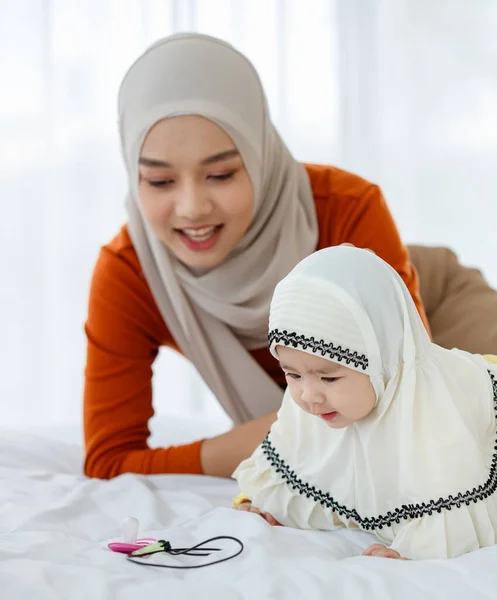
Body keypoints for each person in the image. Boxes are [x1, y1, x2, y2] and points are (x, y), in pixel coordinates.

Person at [83, 32, 430, 481]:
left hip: (430, 302)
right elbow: (109, 461)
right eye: (160, 181)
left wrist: (282, 437)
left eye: (221, 173)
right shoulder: (132, 270)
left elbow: (415, 401)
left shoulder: (348, 210)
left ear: (259, 154)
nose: (192, 208)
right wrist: (280, 442)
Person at [233, 246, 497, 560]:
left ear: (382, 361)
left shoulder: (435, 414)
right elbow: (295, 460)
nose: (308, 395)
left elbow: (453, 512)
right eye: (292, 374)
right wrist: (268, 502)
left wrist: (411, 550)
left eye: (329, 378)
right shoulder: (310, 404)